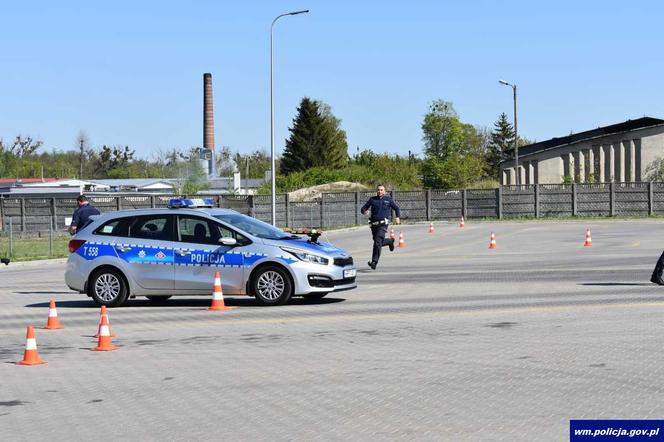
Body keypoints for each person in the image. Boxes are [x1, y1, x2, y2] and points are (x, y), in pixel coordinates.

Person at [360, 184, 401, 270]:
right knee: (377, 242)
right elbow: (363, 209)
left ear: (384, 191)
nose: (380, 191)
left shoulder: (388, 200)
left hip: (383, 225)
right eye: (378, 190)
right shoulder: (372, 200)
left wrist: (397, 217)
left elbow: (396, 208)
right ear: (376, 191)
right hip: (374, 225)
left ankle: (374, 262)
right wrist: (365, 212)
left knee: (377, 242)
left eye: (381, 190)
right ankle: (390, 241)